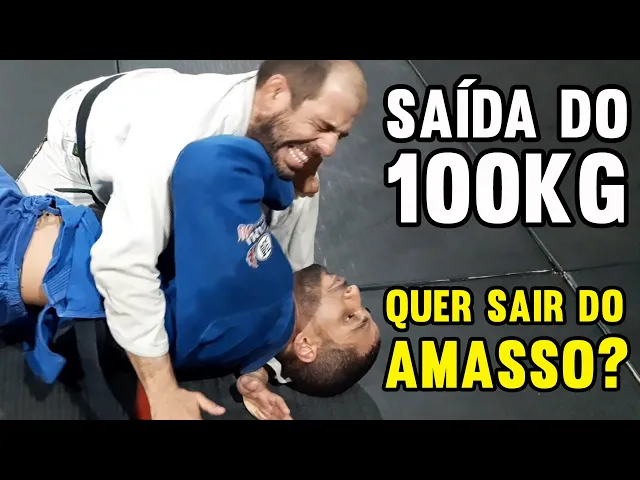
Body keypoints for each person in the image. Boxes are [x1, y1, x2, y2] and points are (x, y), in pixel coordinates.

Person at [16, 59, 368, 417]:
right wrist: (162, 391)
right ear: (276, 92)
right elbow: (120, 265)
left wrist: (263, 367)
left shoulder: (291, 153)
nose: (329, 148)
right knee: (25, 252)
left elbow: (294, 287)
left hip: (181, 155)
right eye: (322, 127)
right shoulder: (181, 130)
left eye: (339, 135)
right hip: (83, 150)